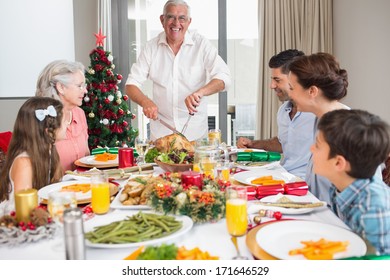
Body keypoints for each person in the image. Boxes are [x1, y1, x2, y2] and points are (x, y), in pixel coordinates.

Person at [125, 0, 231, 141]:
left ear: (189, 22)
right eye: (171, 17)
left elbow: (224, 78)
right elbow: (131, 84)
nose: (176, 23)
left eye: (182, 18)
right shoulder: (151, 47)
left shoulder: (201, 45)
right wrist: (145, 101)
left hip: (196, 138)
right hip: (162, 138)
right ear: (162, 20)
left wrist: (201, 92)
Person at [286, 52, 382, 204]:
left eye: (291, 88)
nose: (289, 94)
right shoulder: (320, 119)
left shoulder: (348, 129)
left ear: (312, 91)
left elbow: (367, 196)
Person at [312, 109, 390, 254]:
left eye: (317, 145)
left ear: (338, 163)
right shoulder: (342, 186)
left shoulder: (372, 208)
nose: (311, 149)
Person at [237, 49, 316, 179]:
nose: (272, 85)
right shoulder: (284, 111)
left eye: (277, 80)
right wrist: (253, 144)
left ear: (294, 78)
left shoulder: (318, 113)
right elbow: (283, 143)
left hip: (305, 182)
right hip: (283, 174)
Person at [0, 97, 66, 213]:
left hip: (40, 214)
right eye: (64, 121)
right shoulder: (24, 163)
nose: (67, 124)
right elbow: (24, 210)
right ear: (48, 131)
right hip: (18, 222)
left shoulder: (50, 150)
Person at [36, 60, 90, 171]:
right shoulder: (43, 117)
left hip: (80, 186)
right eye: (79, 86)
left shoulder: (79, 113)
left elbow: (86, 157)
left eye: (84, 85)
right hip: (51, 187)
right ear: (61, 87)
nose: (85, 91)